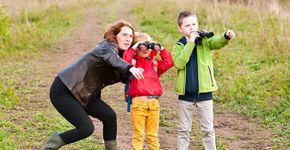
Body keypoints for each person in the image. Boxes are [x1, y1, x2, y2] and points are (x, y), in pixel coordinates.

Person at [40, 20, 145, 150]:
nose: (128, 39)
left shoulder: (124, 58)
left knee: (109, 116)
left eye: (131, 36)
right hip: (65, 90)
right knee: (86, 129)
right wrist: (130, 68)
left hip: (85, 94)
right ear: (115, 35)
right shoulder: (107, 47)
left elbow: (129, 77)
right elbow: (112, 59)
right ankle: (47, 148)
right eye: (124, 35)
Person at [171, 11, 235, 150]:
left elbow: (216, 42)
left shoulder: (205, 41)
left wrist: (225, 36)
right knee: (183, 130)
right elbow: (179, 63)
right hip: (186, 95)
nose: (192, 27)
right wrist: (190, 44)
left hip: (205, 94)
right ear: (180, 28)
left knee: (208, 129)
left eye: (194, 24)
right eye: (187, 25)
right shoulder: (178, 45)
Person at [123, 32, 173, 150]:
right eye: (141, 46)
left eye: (148, 46)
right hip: (138, 104)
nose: (145, 48)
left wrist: (161, 48)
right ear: (136, 49)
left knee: (153, 136)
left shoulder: (155, 63)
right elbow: (125, 60)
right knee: (139, 135)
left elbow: (168, 63)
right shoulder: (133, 64)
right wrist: (134, 47)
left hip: (154, 104)